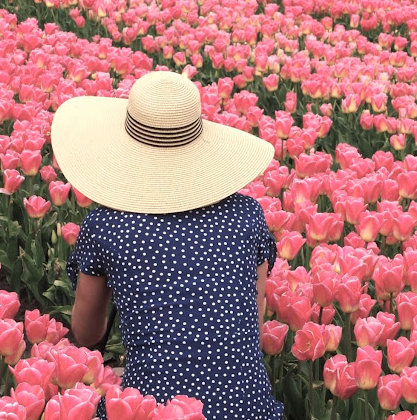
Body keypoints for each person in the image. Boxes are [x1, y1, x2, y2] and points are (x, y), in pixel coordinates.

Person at [51, 71, 284, 419]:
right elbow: (256, 317)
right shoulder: (248, 215)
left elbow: (87, 333)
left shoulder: (107, 226)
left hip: (152, 413)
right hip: (251, 411)